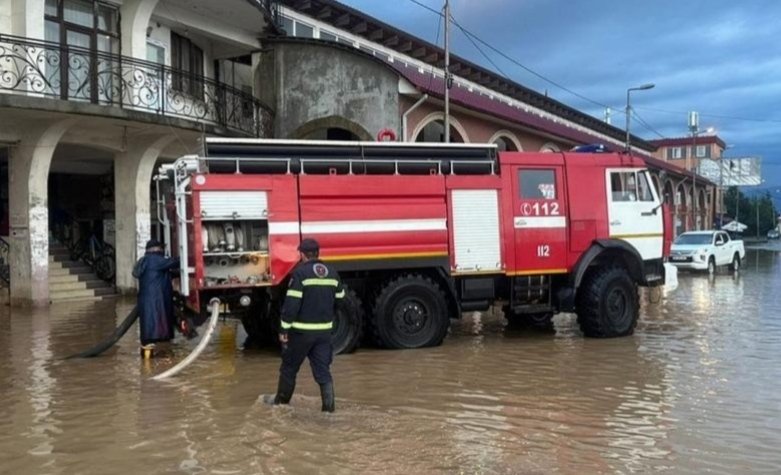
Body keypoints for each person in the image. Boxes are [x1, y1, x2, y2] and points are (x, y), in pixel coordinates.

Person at [271, 238, 345, 412]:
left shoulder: (300, 273)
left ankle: (281, 405)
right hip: (324, 333)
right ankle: (329, 410)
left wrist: (284, 329)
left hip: (301, 333)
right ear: (318, 253)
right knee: (323, 372)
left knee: (289, 368)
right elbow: (341, 300)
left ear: (302, 254)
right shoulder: (332, 273)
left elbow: (291, 305)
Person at [133, 239, 180, 356]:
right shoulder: (156, 260)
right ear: (156, 249)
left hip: (145, 303)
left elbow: (159, 274)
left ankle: (146, 368)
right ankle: (165, 365)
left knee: (148, 339)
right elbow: (176, 262)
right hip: (157, 302)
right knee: (160, 333)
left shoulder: (144, 261)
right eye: (161, 248)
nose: (162, 250)